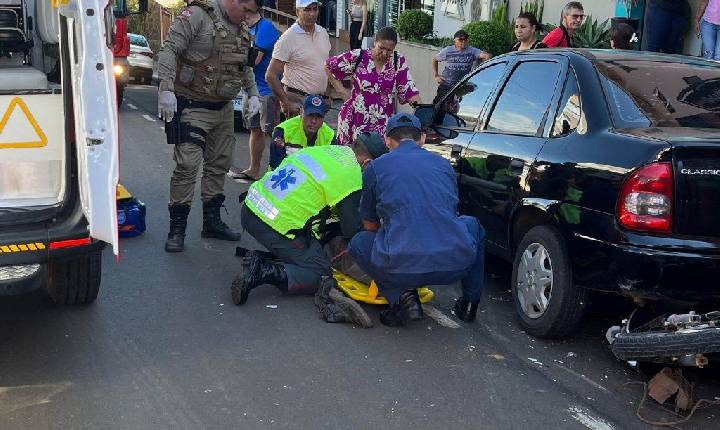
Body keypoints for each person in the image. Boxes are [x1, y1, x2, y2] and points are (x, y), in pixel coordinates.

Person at [348, 113, 486, 327]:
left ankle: (402, 298)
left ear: (387, 141)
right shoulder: (444, 165)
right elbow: (447, 213)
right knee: (473, 225)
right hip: (454, 264)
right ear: (422, 138)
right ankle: (470, 304)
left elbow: (370, 225)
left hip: (402, 266)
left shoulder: (375, 168)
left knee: (359, 242)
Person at [231, 142, 388, 327]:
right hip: (275, 224)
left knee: (310, 246)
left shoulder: (330, 151)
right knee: (320, 272)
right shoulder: (351, 175)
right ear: (368, 163)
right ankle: (263, 272)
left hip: (252, 207)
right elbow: (352, 229)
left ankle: (280, 257)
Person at [157, 0, 261, 253]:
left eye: (252, 13)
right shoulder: (198, 16)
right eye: (246, 10)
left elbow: (243, 65)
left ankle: (211, 223)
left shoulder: (242, 28)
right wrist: (166, 89)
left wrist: (253, 93)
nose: (248, 17)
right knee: (188, 166)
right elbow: (169, 50)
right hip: (193, 106)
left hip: (223, 110)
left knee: (219, 166)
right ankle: (177, 229)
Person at [325, 27, 422, 147]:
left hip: (382, 121)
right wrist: (341, 90)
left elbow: (409, 91)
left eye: (389, 50)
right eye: (381, 48)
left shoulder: (397, 61)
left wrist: (421, 111)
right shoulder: (358, 56)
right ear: (375, 42)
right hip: (354, 118)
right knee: (353, 158)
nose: (385, 53)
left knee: (378, 157)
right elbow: (328, 65)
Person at [229, 0, 282, 182]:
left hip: (266, 90)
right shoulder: (244, 28)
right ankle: (254, 169)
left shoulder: (265, 28)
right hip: (250, 90)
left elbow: (254, 61)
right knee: (254, 130)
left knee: (272, 132)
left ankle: (275, 171)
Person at [266, 0, 332, 119]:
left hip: (318, 101)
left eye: (315, 9)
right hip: (297, 100)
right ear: (297, 12)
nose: (312, 14)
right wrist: (286, 102)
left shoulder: (323, 32)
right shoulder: (288, 38)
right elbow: (271, 75)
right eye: (307, 9)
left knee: (317, 138)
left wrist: (327, 96)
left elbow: (327, 66)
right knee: (295, 137)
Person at [269, 95, 335, 169]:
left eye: (319, 116)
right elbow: (275, 166)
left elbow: (332, 167)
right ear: (301, 112)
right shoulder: (282, 131)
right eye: (310, 115)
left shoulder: (329, 135)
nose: (313, 121)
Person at [432, 30, 491, 104]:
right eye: (461, 39)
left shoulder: (472, 51)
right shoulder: (448, 50)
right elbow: (435, 59)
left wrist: (484, 66)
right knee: (438, 105)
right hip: (446, 84)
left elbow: (486, 55)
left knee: (453, 109)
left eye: (465, 39)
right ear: (455, 40)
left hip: (461, 88)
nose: (463, 41)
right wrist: (436, 75)